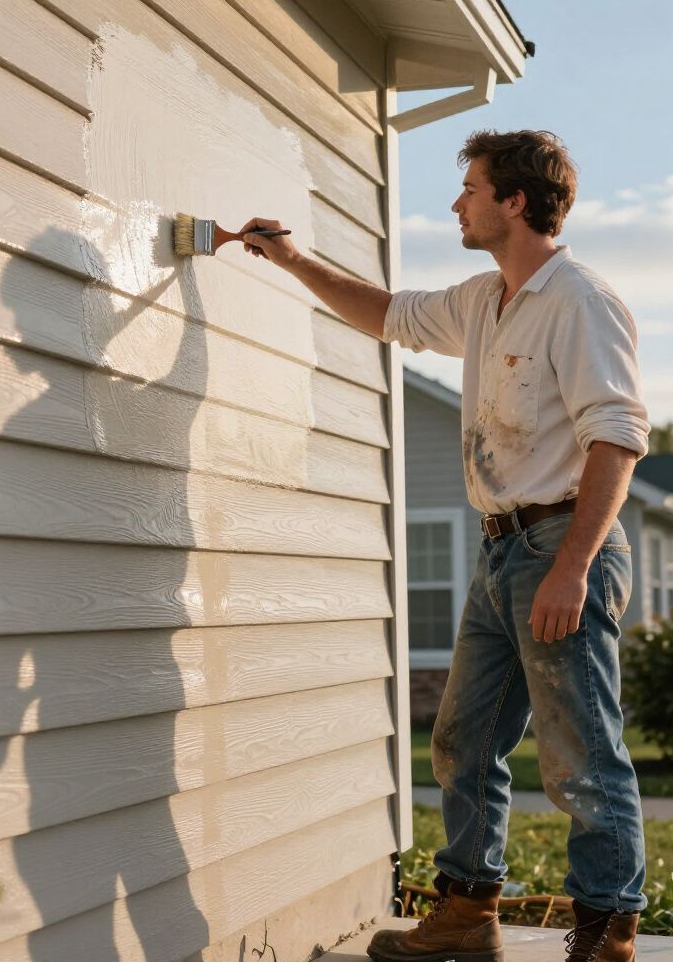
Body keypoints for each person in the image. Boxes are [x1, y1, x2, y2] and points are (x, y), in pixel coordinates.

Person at [239, 129, 650, 962]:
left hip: (562, 548)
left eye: (470, 188)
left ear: (516, 201)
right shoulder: (483, 298)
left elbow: (618, 440)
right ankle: (469, 916)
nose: (457, 202)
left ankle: (607, 935)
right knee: (463, 743)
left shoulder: (579, 301)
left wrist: (571, 569)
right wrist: (290, 262)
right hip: (500, 553)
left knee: (580, 756)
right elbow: (385, 313)